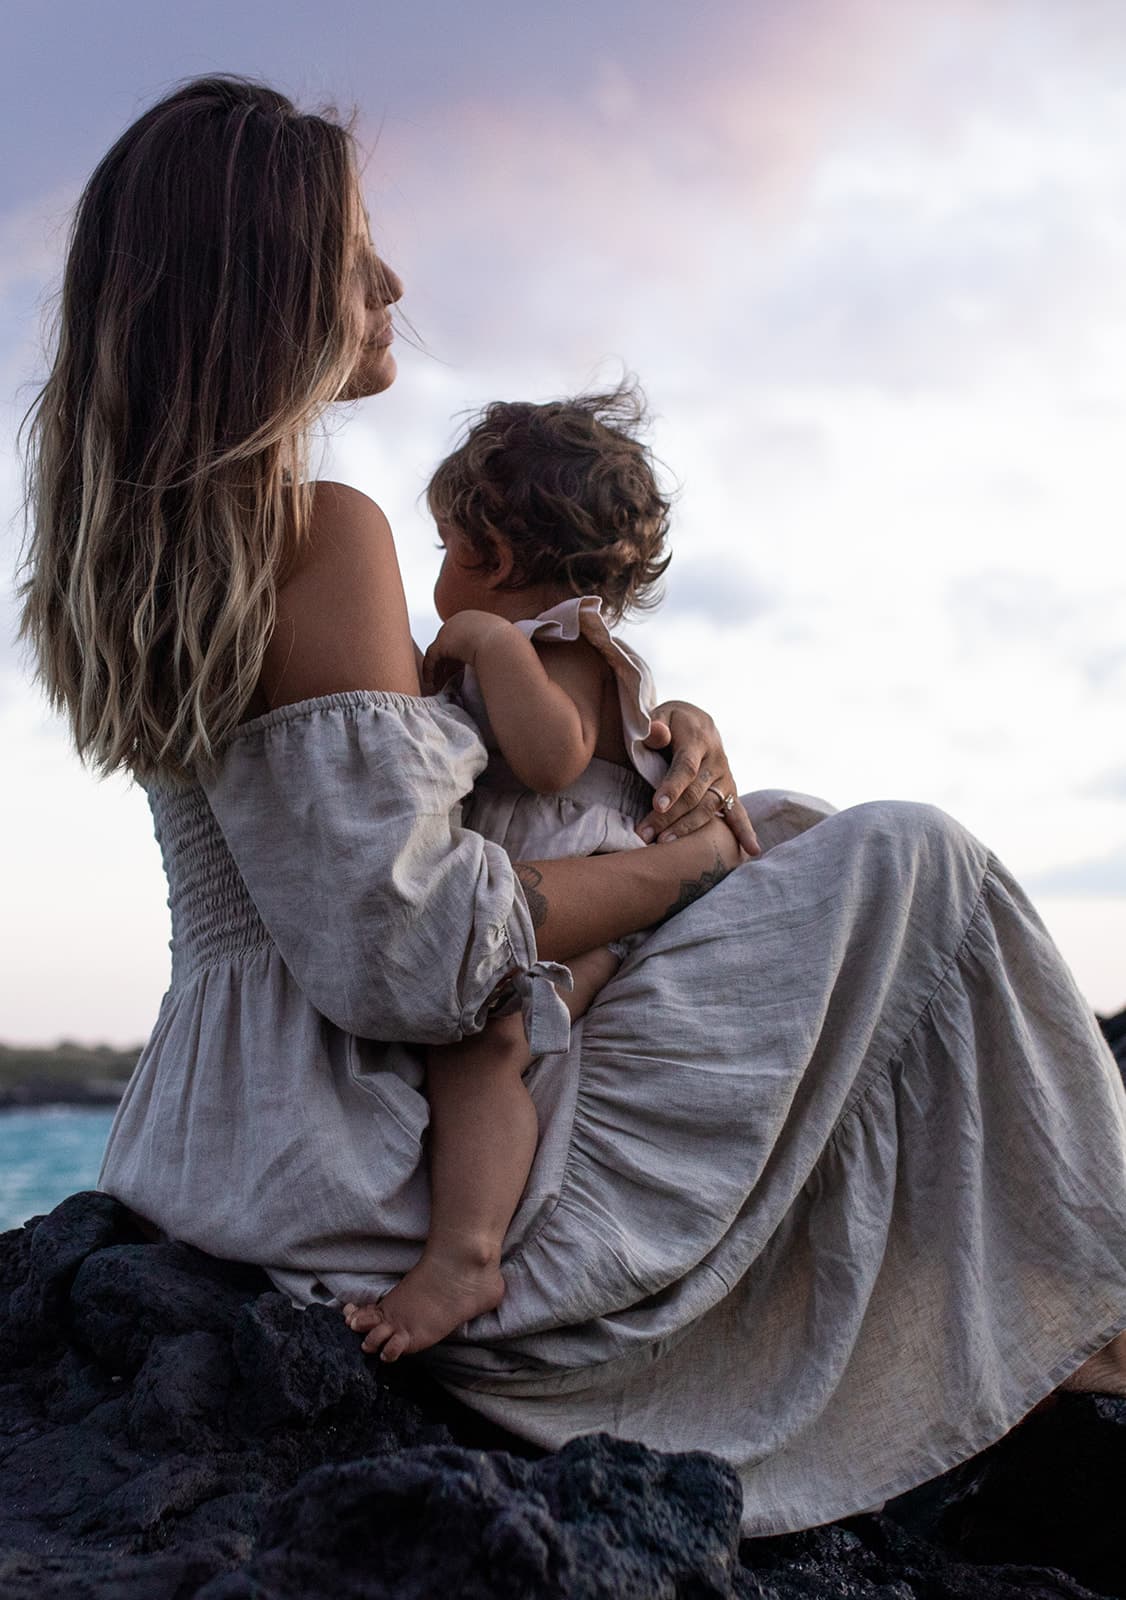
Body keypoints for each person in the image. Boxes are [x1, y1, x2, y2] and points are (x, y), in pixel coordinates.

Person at [18, 76, 1126, 1537]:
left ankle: (1031, 1311)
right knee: (912, 860)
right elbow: (409, 952)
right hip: (366, 1164)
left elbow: (413, 838)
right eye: (357, 254)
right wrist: (680, 873)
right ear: (270, 281)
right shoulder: (320, 535)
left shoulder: (168, 557)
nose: (393, 284)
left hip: (229, 1135)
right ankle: (1068, 1299)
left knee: (790, 828)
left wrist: (677, 763)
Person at [346, 384, 739, 1362]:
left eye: (442, 549)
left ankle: (464, 1255)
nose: (439, 575)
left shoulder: (553, 639)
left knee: (482, 1047)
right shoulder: (570, 644)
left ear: (496, 557)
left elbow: (552, 758)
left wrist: (483, 644)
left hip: (590, 890)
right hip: (587, 887)